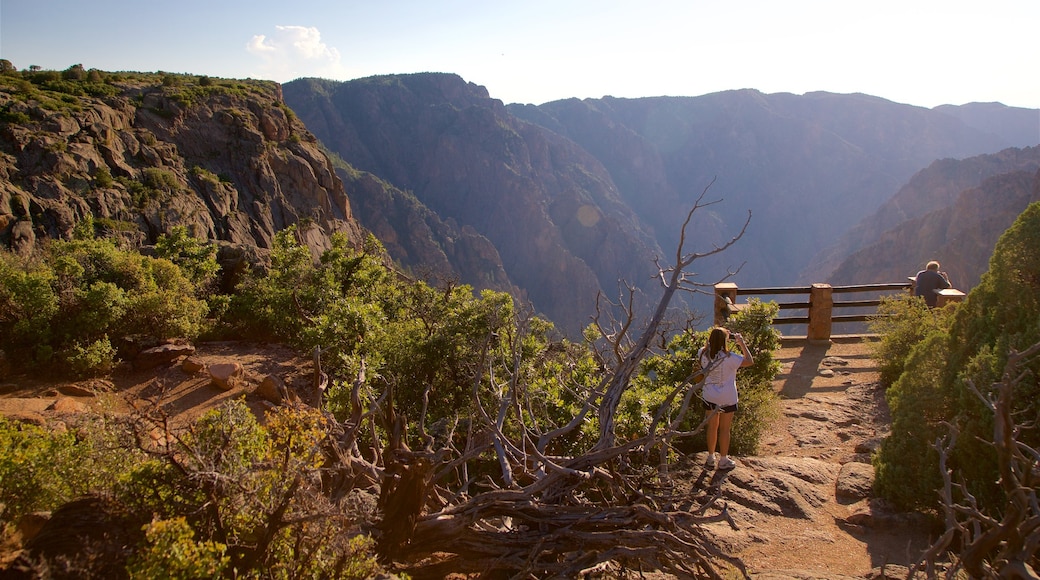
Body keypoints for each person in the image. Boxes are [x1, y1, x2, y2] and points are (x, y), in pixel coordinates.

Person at [697, 327, 753, 471]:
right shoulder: (730, 358)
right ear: (724, 341)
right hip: (727, 397)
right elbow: (749, 361)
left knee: (712, 427)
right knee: (724, 429)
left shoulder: (702, 354)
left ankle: (710, 457)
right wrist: (741, 343)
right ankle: (723, 459)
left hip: (709, 395)